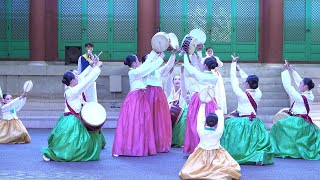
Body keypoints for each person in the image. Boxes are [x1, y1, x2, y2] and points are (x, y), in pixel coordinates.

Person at [41, 60, 105, 162]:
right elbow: (85, 82)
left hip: (74, 118)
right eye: (76, 77)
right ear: (72, 81)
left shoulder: (72, 89)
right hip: (71, 119)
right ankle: (54, 154)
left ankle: (68, 153)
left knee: (71, 142)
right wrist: (96, 68)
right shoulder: (71, 92)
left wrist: (91, 66)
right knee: (69, 141)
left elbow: (83, 78)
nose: (78, 78)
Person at [220, 55, 274, 165]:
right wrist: (239, 69)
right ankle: (257, 157)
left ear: (247, 84)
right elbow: (248, 78)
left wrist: (233, 63)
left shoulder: (241, 95)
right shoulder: (258, 93)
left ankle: (234, 155)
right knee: (255, 142)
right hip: (254, 122)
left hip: (241, 121)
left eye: (246, 82)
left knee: (229, 128)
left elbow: (233, 79)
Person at [112, 51, 164, 156]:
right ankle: (131, 148)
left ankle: (138, 146)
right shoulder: (133, 73)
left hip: (140, 98)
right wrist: (160, 59)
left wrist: (154, 53)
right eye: (137, 60)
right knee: (135, 123)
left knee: (141, 123)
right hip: (135, 99)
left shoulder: (137, 70)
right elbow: (146, 68)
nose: (139, 62)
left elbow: (145, 65)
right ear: (134, 63)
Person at [270, 61, 320, 160]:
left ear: (305, 86)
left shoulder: (300, 98)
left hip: (297, 121)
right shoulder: (310, 94)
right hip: (305, 122)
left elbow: (288, 87)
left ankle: (284, 149)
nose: (299, 84)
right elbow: (299, 82)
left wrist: (285, 71)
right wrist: (292, 70)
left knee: (278, 125)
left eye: (301, 83)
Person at [179, 105, 241, 179]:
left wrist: (202, 106)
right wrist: (219, 111)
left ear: (205, 121)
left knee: (190, 169)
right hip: (216, 154)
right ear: (216, 123)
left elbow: (200, 120)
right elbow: (221, 123)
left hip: (201, 153)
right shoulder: (218, 132)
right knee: (228, 165)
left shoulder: (201, 131)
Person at [182, 51, 219, 154]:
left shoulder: (199, 75)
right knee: (208, 122)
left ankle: (195, 147)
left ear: (205, 65)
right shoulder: (215, 77)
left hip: (198, 100)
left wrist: (185, 54)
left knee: (195, 122)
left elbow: (188, 66)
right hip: (210, 100)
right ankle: (208, 146)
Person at [143, 51, 176, 153]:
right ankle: (147, 143)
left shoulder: (158, 71)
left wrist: (173, 54)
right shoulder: (144, 71)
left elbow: (169, 65)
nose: (153, 59)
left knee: (159, 119)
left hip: (159, 96)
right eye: (150, 58)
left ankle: (159, 143)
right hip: (148, 95)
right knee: (149, 119)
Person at [165, 64, 188, 147]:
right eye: (175, 79)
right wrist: (170, 74)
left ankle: (180, 141)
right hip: (170, 111)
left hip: (182, 111)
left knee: (183, 121)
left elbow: (184, 85)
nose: (177, 81)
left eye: (179, 79)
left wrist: (182, 73)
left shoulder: (183, 92)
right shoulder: (170, 92)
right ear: (173, 81)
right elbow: (167, 85)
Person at [204, 47, 227, 114]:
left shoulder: (215, 58)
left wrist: (216, 59)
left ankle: (219, 107)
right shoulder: (204, 59)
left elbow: (221, 64)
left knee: (218, 91)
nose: (210, 52)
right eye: (208, 51)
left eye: (211, 51)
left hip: (216, 75)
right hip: (208, 75)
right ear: (206, 52)